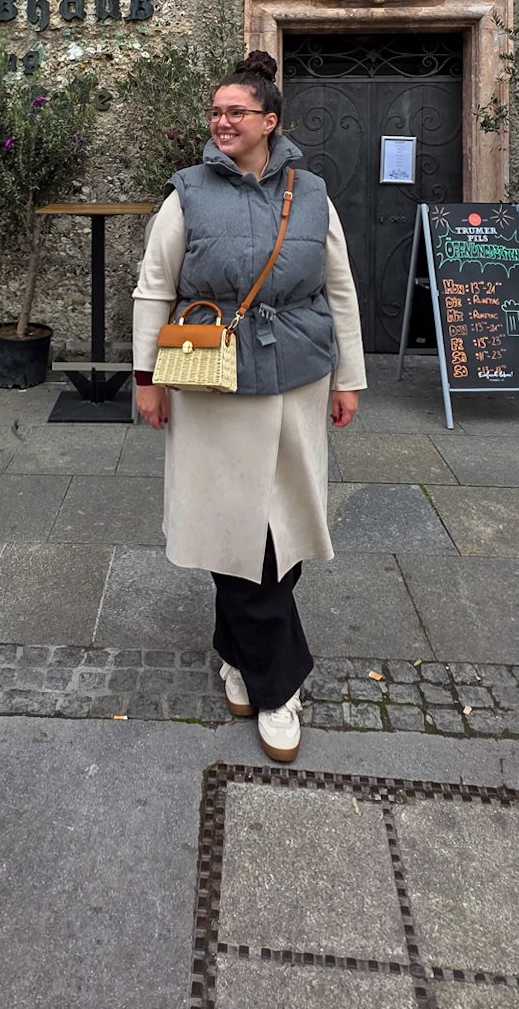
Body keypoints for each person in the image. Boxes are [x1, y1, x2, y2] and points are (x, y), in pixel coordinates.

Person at [132, 50, 366, 763]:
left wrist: (348, 377)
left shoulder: (312, 193)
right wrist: (146, 378)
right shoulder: (186, 194)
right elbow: (153, 286)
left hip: (295, 372)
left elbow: (339, 287)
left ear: (269, 121)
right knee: (233, 527)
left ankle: (237, 652)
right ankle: (276, 684)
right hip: (206, 372)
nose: (221, 121)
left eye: (236, 111)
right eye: (215, 111)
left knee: (280, 526)